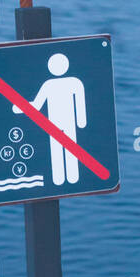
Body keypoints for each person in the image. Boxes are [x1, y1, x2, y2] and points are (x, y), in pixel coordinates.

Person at [13, 52, 86, 185]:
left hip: (56, 123)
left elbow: (37, 105)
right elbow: (38, 104)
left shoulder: (55, 84)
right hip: (58, 123)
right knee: (67, 148)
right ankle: (67, 177)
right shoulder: (71, 83)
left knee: (59, 149)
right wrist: (81, 121)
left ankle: (63, 178)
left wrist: (21, 107)